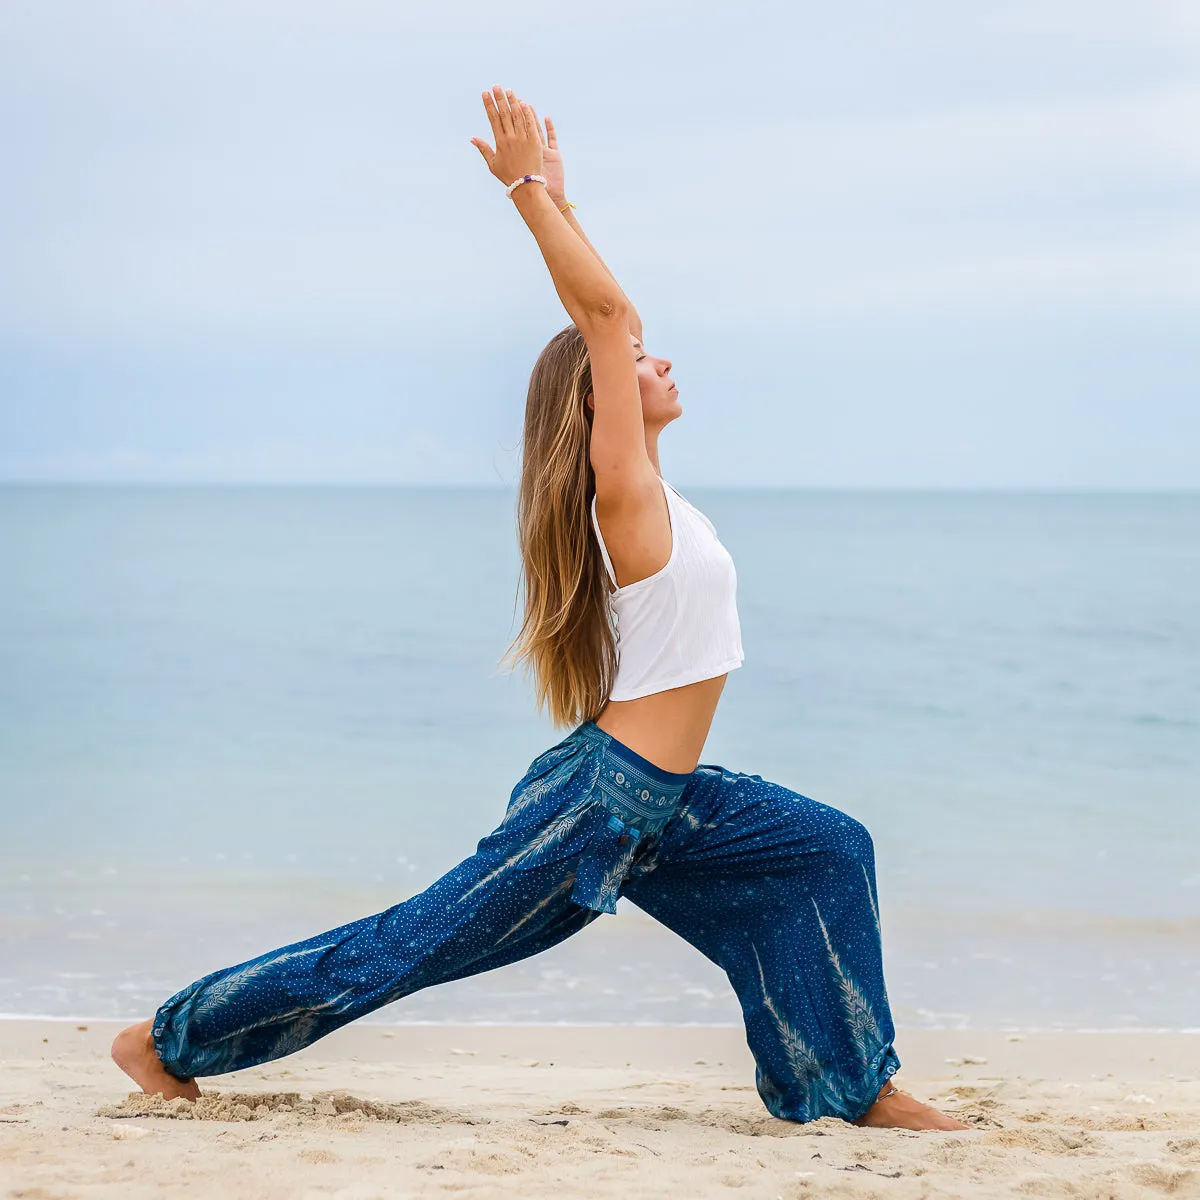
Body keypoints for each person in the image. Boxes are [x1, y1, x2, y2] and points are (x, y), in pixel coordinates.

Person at [111, 84, 967, 1132]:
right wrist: (526, 193)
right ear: (598, 403)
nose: (658, 357)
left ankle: (844, 1089)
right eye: (639, 361)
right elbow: (604, 315)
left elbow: (616, 317)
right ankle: (165, 1039)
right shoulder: (627, 501)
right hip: (597, 808)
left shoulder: (664, 503)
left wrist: (564, 201)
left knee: (827, 849)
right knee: (406, 949)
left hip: (674, 803)